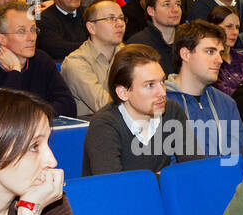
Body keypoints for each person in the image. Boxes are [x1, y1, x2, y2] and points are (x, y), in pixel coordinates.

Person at [82, 45, 204, 176]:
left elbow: (196, 170)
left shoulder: (171, 112)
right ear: (123, 93)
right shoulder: (104, 125)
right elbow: (114, 188)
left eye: (162, 81)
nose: (162, 92)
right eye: (150, 85)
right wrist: (165, 177)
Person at [164, 20, 243, 161]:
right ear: (185, 54)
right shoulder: (161, 104)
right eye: (210, 52)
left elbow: (241, 158)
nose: (220, 60)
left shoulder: (227, 103)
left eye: (220, 53)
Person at [0, 1, 76, 116]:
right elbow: (2, 114)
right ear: (2, 39)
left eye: (33, 30)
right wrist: (15, 71)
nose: (31, 38)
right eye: (21, 31)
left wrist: (29, 114)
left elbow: (68, 106)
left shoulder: (42, 60)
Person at [62, 0, 124, 116]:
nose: (120, 24)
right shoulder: (76, 63)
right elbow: (104, 105)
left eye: (121, 18)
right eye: (111, 19)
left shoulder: (127, 53)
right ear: (91, 27)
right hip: (91, 130)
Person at [126, 0, 182, 75]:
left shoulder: (188, 40)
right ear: (151, 11)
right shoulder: (138, 45)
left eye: (178, 4)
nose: (175, 9)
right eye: (167, 4)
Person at [207, 5, 243, 96]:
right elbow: (222, 94)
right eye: (229, 26)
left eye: (237, 27)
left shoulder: (242, 59)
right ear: (214, 27)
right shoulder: (209, 62)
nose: (235, 32)